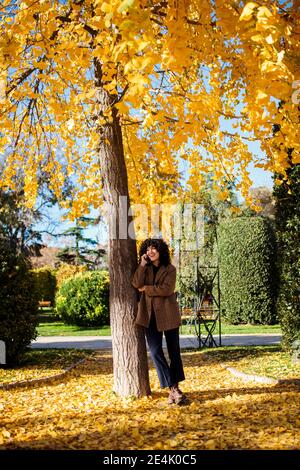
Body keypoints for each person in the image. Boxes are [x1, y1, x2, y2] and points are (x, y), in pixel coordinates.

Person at [131, 238, 188, 405]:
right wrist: (141, 264)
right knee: (155, 352)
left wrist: (146, 289)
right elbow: (136, 283)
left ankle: (174, 390)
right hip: (149, 317)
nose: (151, 252)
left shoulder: (170, 269)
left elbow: (167, 289)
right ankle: (173, 388)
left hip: (169, 314)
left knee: (174, 352)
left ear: (160, 251)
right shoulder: (145, 268)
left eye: (154, 249)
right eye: (148, 249)